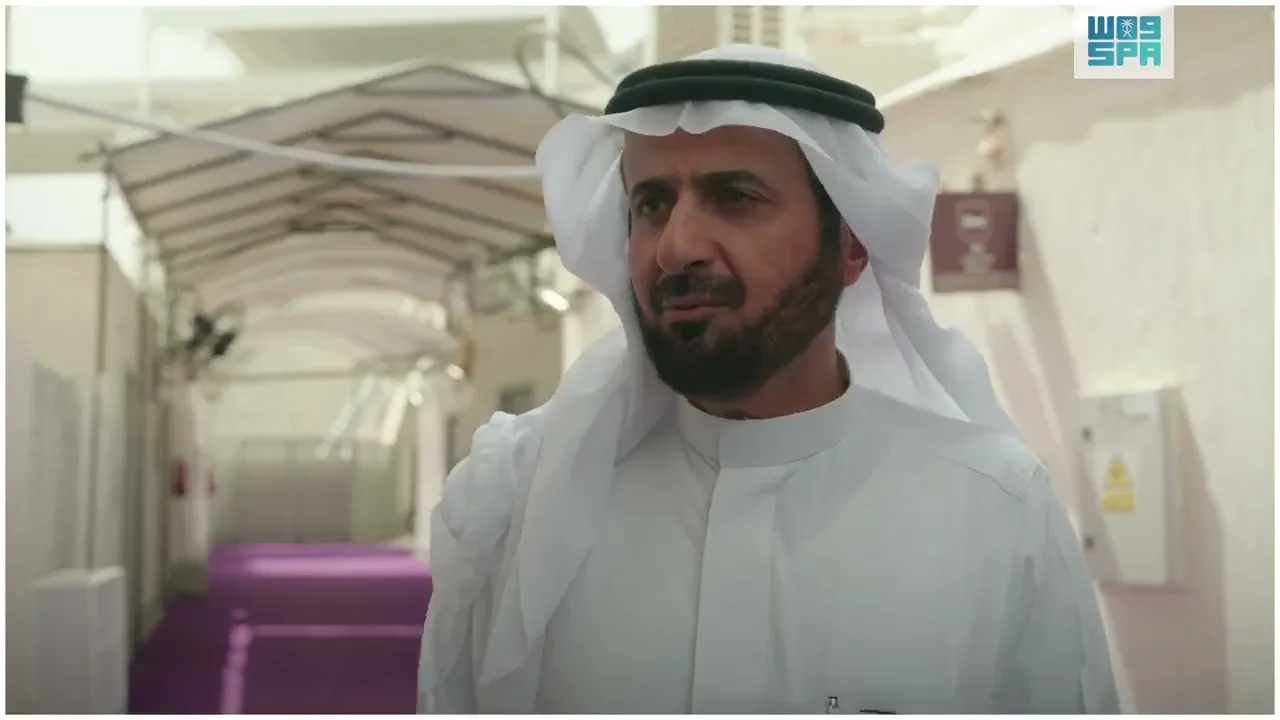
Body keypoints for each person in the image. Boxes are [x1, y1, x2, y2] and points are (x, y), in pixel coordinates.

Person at [418, 44, 1119, 714]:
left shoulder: (996, 512)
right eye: (652, 205)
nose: (676, 247)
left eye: (736, 197)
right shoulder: (519, 501)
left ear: (850, 244)